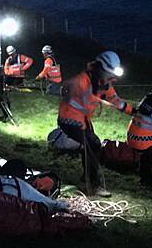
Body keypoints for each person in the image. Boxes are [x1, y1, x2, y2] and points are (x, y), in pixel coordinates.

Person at [57, 51, 133, 196]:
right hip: (69, 120)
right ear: (99, 68)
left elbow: (114, 99)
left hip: (83, 120)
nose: (111, 77)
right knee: (93, 144)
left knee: (91, 145)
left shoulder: (103, 83)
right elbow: (71, 101)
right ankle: (92, 184)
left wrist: (132, 111)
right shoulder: (81, 81)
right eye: (108, 73)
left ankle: (88, 176)